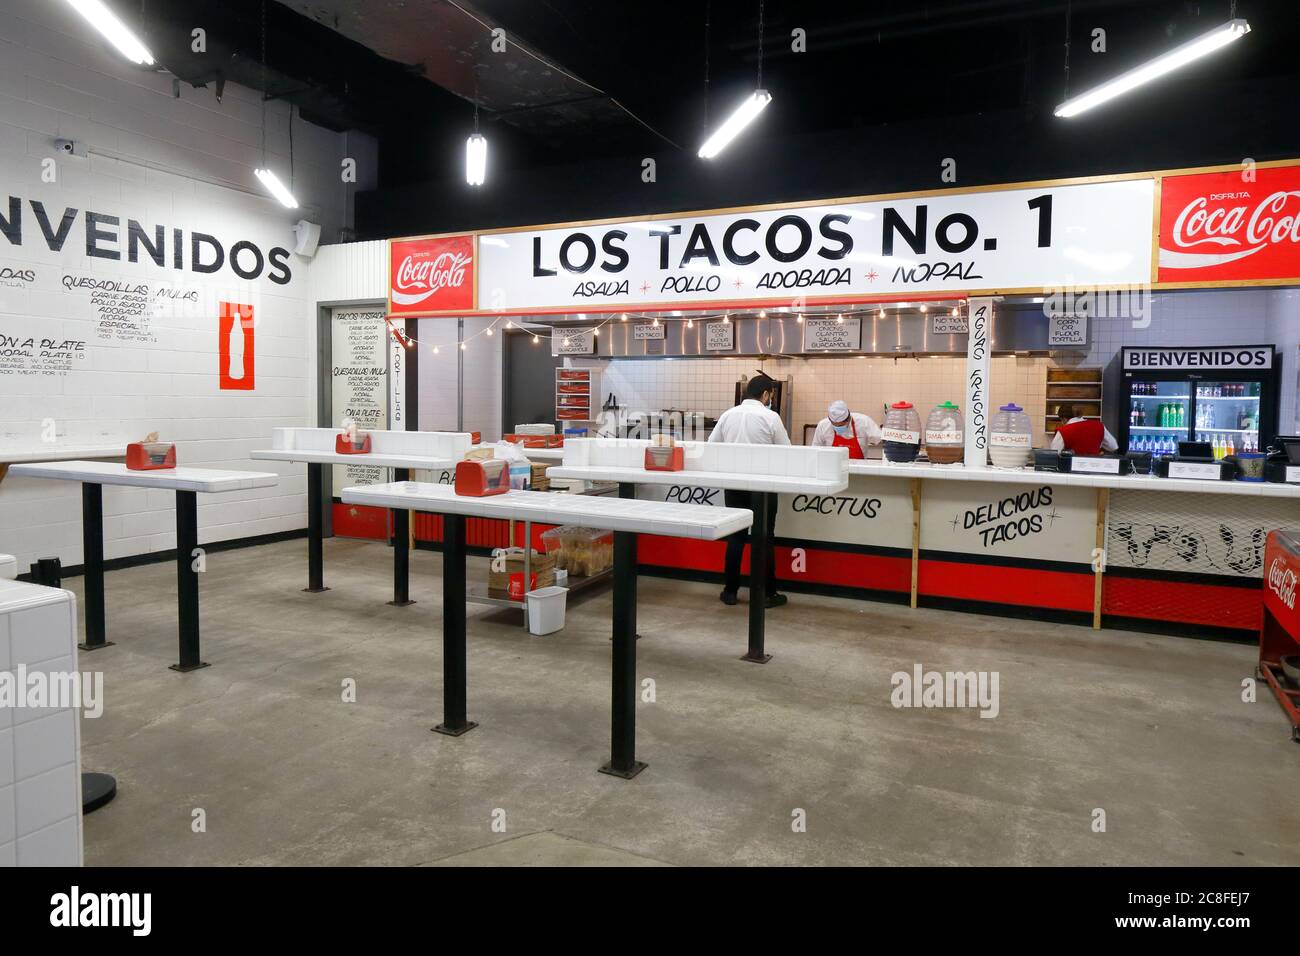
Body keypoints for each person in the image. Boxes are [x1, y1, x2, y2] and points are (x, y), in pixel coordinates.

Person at [709, 373, 789, 608]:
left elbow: (711, 447)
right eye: (770, 395)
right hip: (763, 485)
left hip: (734, 484)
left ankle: (730, 591)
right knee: (764, 538)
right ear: (766, 394)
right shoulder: (771, 417)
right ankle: (766, 594)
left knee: (736, 536)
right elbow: (787, 452)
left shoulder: (728, 415)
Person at [811, 399, 882, 459]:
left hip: (859, 470)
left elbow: (880, 439)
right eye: (835, 425)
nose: (838, 428)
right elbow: (815, 450)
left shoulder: (864, 422)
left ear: (848, 419)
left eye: (841, 425)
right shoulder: (823, 425)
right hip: (833, 468)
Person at [1050, 402, 1118, 454]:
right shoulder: (1099, 426)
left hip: (1072, 469)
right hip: (1095, 468)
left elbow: (1054, 454)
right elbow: (1113, 447)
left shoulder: (1063, 431)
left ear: (1064, 419)